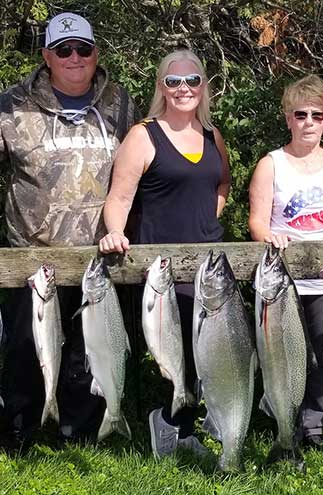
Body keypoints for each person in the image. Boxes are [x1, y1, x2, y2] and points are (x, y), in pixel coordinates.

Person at [0, 12, 138, 450]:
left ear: (96, 54)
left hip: (100, 258)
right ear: (46, 56)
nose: (74, 57)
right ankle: (19, 429)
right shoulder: (14, 104)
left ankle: (82, 432)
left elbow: (148, 164)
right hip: (30, 258)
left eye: (83, 49)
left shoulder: (120, 105)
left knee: (86, 352)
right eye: (63, 49)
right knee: (22, 350)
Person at [98, 49, 231, 458]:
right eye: (173, 81)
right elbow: (119, 197)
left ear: (203, 86)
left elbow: (222, 184)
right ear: (161, 87)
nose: (183, 88)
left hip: (208, 265)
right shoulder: (143, 135)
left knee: (206, 352)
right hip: (161, 270)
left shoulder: (212, 135)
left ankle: (185, 431)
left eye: (192, 80)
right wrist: (115, 232)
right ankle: (166, 425)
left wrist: (208, 219)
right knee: (169, 353)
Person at [248, 75, 323, 450]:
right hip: (281, 284)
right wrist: (267, 235)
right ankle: (282, 417)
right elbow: (256, 220)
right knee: (285, 355)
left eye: (317, 115)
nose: (308, 122)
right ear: (287, 118)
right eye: (300, 114)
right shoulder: (271, 164)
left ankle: (314, 425)